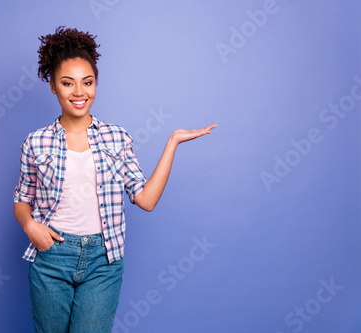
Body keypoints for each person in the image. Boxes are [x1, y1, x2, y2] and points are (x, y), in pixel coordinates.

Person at [13, 26, 217, 333]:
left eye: (88, 82)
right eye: (67, 83)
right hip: (52, 256)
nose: (79, 92)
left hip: (103, 260)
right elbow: (22, 199)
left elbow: (146, 200)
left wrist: (172, 141)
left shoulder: (116, 138)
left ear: (96, 83)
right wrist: (31, 227)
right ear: (53, 86)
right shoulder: (36, 142)